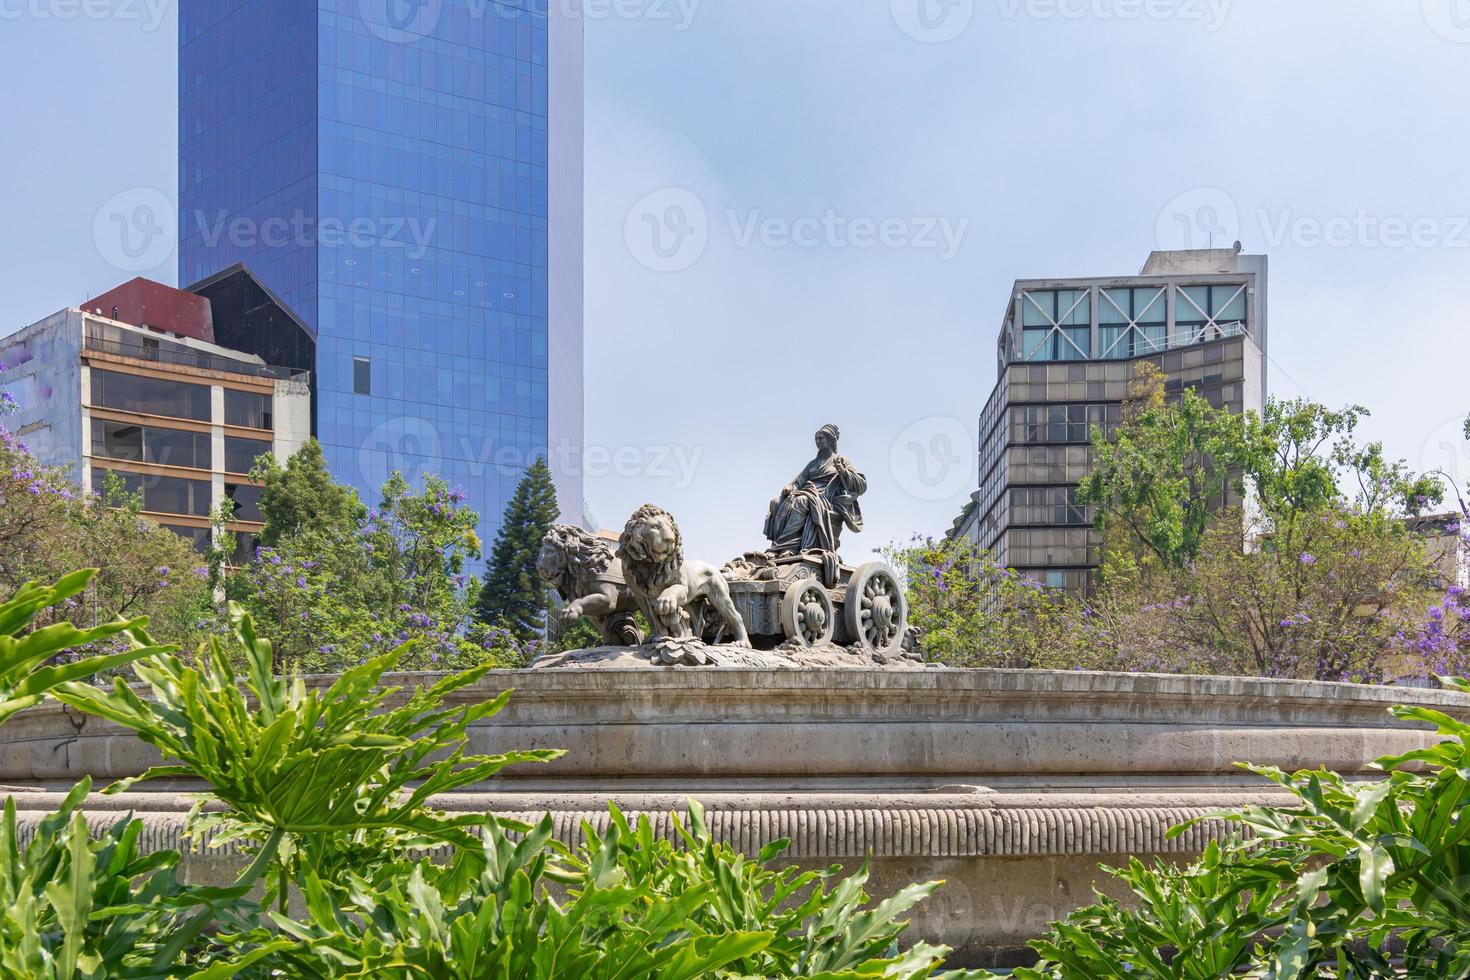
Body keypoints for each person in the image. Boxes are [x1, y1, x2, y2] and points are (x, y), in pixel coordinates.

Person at [763, 424, 867, 557]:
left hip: (826, 499)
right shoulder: (812, 464)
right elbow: (799, 481)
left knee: (801, 501)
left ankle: (786, 547)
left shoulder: (841, 461)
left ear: (830, 440)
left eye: (820, 438)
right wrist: (791, 487)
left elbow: (862, 485)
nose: (817, 442)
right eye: (816, 439)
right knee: (776, 501)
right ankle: (777, 545)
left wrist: (844, 472)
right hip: (808, 493)